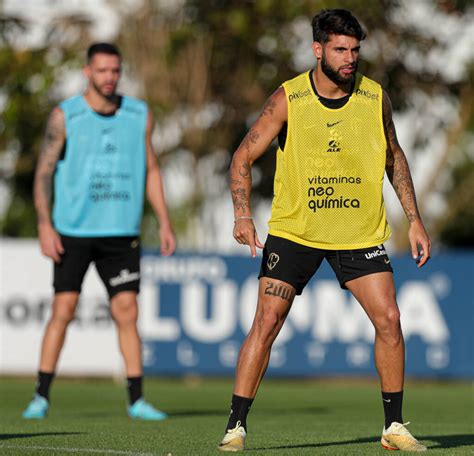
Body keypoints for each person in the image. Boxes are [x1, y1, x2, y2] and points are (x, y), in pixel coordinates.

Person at [219, 9, 430, 453]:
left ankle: (393, 427)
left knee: (389, 319)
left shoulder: (375, 98)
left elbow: (394, 157)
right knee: (267, 321)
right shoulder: (288, 99)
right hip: (296, 231)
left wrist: (414, 219)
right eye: (340, 49)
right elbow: (241, 157)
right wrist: (242, 215)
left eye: (355, 49)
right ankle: (235, 426)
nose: (350, 58)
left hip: (358, 233)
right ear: (318, 50)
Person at [22, 43, 176, 420]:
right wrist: (45, 224)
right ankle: (40, 396)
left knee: (127, 310)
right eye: (102, 70)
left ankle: (137, 400)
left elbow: (152, 168)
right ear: (87, 71)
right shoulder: (65, 116)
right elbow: (43, 171)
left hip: (121, 232)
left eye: (115, 71)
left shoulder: (139, 114)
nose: (110, 78)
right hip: (72, 230)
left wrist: (165, 220)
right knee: (64, 308)